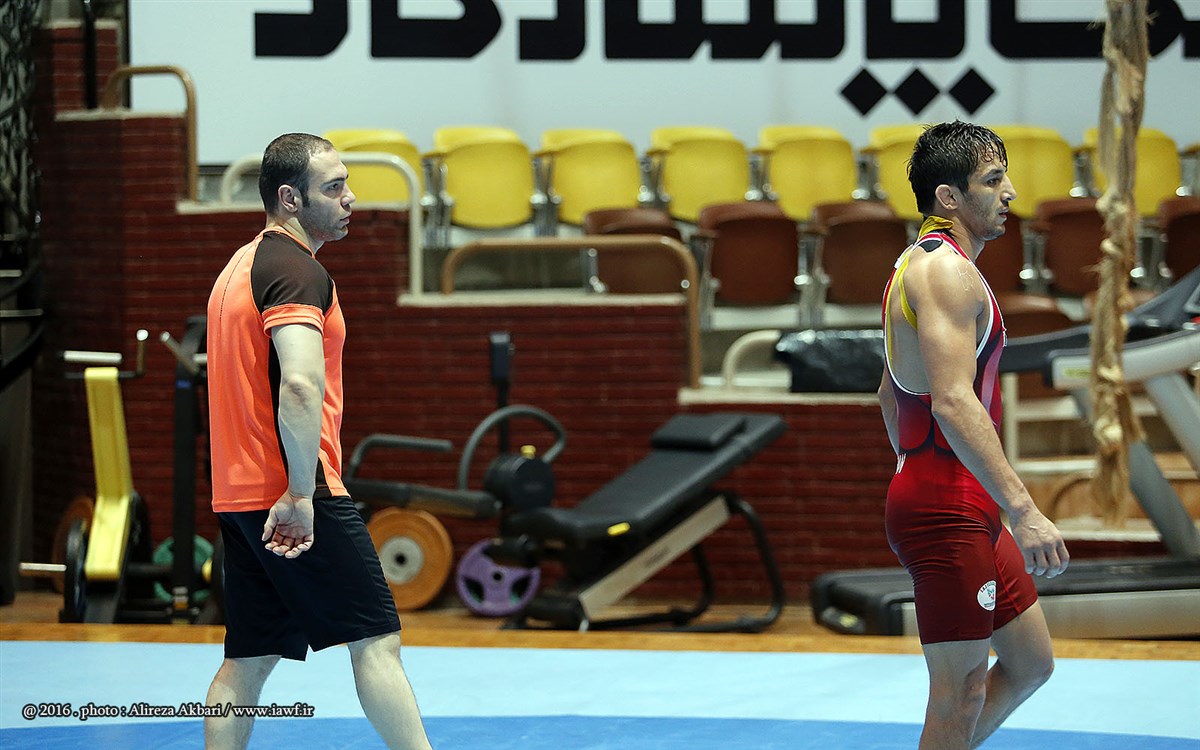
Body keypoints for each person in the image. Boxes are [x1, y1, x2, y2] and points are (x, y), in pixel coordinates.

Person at [203, 133, 433, 750]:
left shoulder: (239, 267)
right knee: (376, 641)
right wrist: (302, 495)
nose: (349, 198)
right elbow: (301, 385)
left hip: (238, 495)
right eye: (333, 188)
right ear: (290, 198)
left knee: (248, 659)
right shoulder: (296, 271)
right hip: (293, 494)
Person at [877, 121, 1070, 749]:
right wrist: (1025, 509)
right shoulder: (946, 275)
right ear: (948, 196)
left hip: (953, 494)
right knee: (959, 694)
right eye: (992, 180)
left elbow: (890, 393)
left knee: (1030, 663)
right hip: (949, 505)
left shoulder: (917, 265)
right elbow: (955, 402)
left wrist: (916, 468)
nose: (1010, 192)